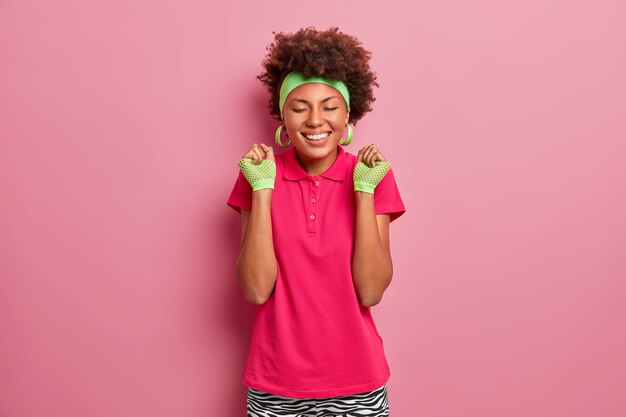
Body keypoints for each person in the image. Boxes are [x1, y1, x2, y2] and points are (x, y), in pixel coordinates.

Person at [227, 27, 405, 417]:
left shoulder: (372, 175)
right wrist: (262, 190)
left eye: (328, 105)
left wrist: (363, 192)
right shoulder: (258, 174)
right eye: (299, 106)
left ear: (347, 114)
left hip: (357, 382)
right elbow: (256, 289)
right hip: (276, 384)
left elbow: (371, 291)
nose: (314, 120)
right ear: (282, 116)